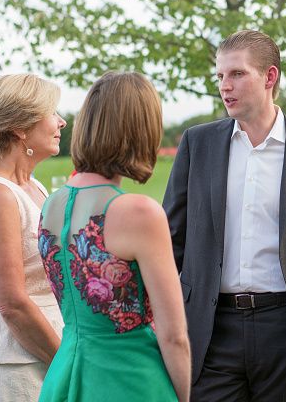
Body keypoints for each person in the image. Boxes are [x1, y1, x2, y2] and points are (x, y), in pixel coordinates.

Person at [163, 29, 286, 401]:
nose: (225, 86)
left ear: (270, 77)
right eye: (220, 76)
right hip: (210, 328)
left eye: (237, 74)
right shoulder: (197, 143)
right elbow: (172, 237)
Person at [38, 71, 190, 402]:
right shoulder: (138, 212)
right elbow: (174, 334)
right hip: (129, 379)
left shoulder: (52, 204)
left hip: (66, 376)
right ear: (141, 129)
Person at [0, 74, 65, 401]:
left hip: (46, 350)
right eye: (52, 113)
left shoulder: (36, 188)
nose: (61, 122)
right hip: (12, 366)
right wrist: (66, 364)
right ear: (21, 128)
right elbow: (12, 303)